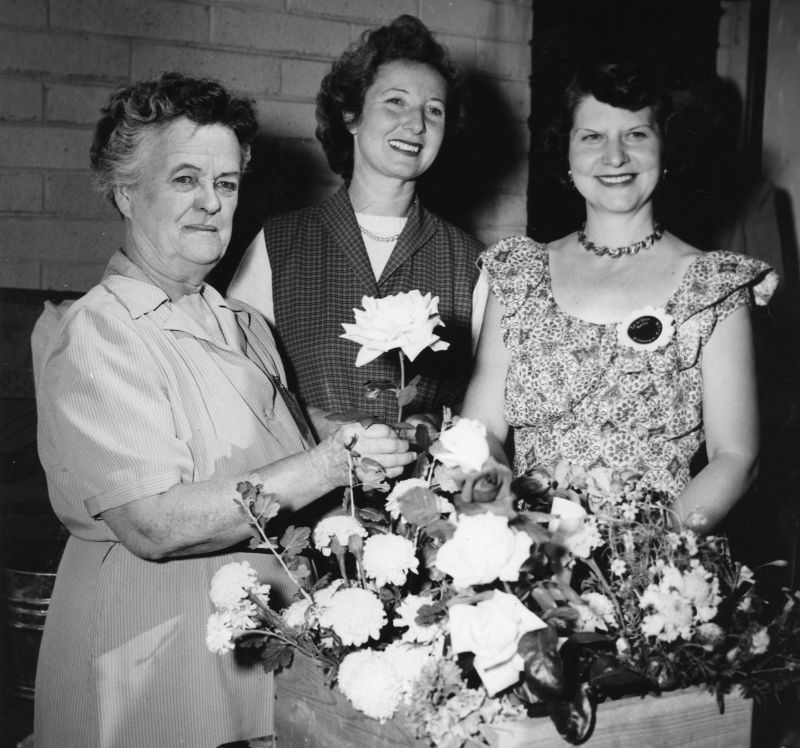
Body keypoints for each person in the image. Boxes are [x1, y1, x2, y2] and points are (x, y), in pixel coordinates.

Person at [32, 72, 413, 748]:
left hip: (258, 652)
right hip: (154, 660)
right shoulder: (99, 331)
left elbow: (266, 442)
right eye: (184, 179)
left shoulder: (241, 321)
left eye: (227, 183)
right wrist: (326, 463)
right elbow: (153, 523)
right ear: (126, 192)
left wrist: (346, 438)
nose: (211, 202)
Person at [461, 60, 778, 532]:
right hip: (527, 555)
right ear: (565, 153)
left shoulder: (713, 285)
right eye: (591, 136)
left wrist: (642, 554)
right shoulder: (517, 272)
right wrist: (507, 526)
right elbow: (480, 429)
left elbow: (736, 456)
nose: (615, 157)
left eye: (636, 134)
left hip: (652, 565)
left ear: (666, 149)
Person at [228, 15, 486, 434]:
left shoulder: (471, 262)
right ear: (351, 115)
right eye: (395, 101)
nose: (417, 123)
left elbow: (483, 406)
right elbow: (240, 381)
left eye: (433, 110)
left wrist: (430, 429)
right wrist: (326, 428)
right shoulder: (278, 244)